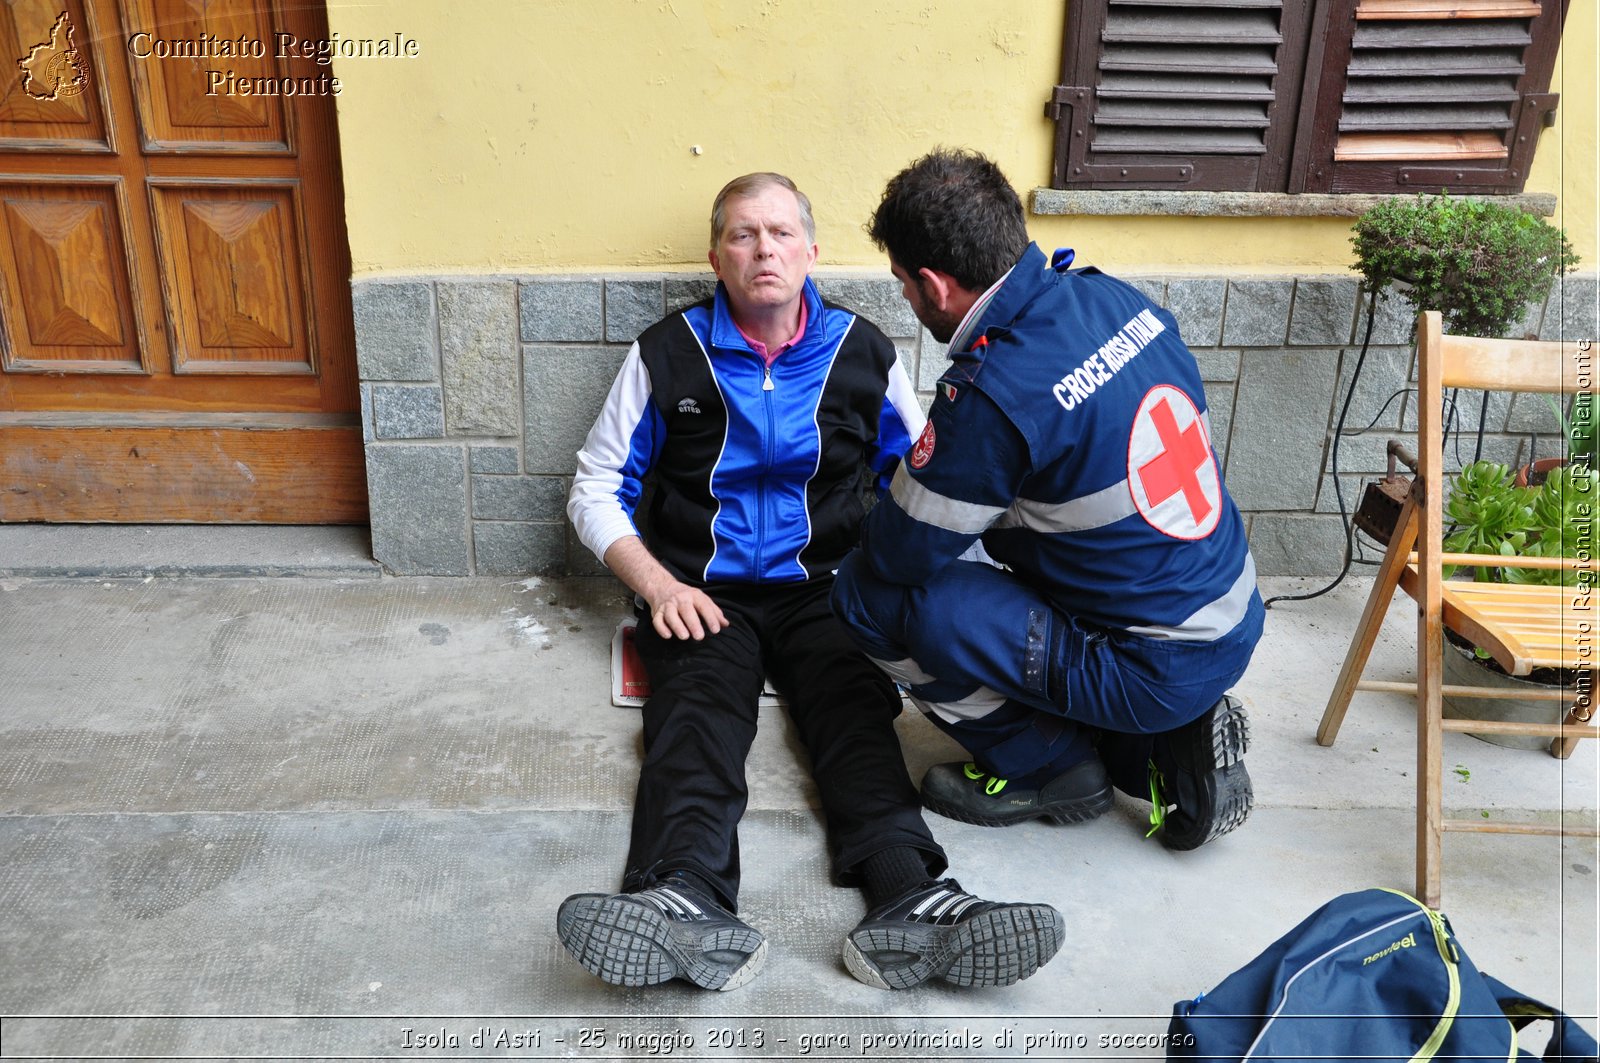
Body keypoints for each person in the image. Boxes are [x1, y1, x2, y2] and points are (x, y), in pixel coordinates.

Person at [558, 172, 1063, 993]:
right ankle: (680, 895)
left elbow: (930, 475)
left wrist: (898, 584)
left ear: (812, 251)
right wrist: (658, 586)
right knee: (693, 724)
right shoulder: (665, 353)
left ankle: (913, 894)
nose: (765, 249)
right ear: (716, 256)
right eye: (744, 235)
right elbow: (594, 484)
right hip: (702, 592)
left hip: (827, 585)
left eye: (782, 233)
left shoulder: (863, 351)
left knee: (855, 716)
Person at [831, 148, 1263, 851]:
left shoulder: (991, 393)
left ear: (936, 286)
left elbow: (900, 551)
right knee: (1023, 546)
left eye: (903, 285)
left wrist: (893, 491)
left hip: (1151, 660)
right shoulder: (1113, 297)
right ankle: (1157, 741)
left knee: (867, 595)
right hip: (1231, 612)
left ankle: (1048, 764)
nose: (907, 300)